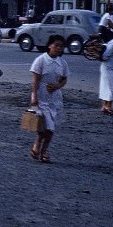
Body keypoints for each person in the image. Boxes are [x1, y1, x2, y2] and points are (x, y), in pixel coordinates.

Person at [28, 35, 69, 164]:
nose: (58, 48)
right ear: (49, 45)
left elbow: (64, 79)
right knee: (44, 126)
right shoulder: (41, 60)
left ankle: (42, 149)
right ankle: (39, 148)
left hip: (55, 97)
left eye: (61, 46)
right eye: (56, 45)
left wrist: (58, 86)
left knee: (51, 127)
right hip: (41, 95)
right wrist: (34, 96)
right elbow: (35, 79)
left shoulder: (62, 62)